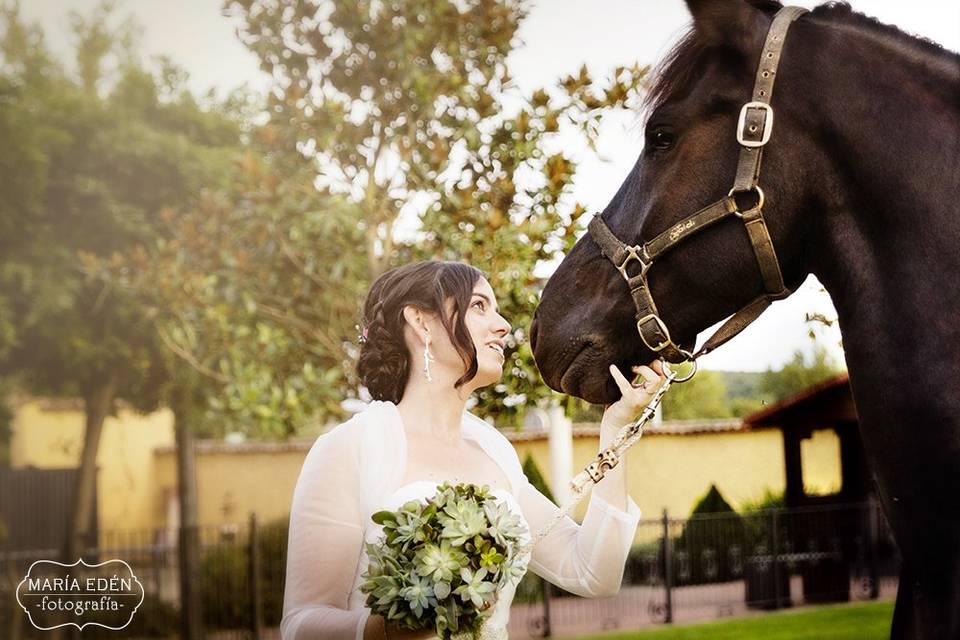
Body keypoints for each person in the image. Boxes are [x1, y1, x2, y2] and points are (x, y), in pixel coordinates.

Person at [280, 260, 665, 640]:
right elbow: (301, 622)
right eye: (479, 306)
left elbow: (593, 572)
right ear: (421, 321)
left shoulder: (495, 452)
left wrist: (616, 430)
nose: (502, 326)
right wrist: (387, 630)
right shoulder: (349, 448)